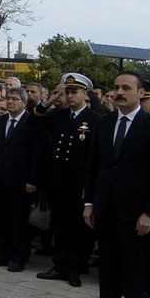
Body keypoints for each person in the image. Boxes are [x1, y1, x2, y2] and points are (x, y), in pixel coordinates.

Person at [80, 72, 150, 298]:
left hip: (135, 214)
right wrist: (89, 203)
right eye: (116, 87)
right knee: (107, 270)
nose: (119, 92)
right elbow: (94, 166)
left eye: (126, 88)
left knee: (133, 273)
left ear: (140, 93)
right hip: (106, 210)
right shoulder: (104, 124)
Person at [35, 72, 99, 287]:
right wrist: (49, 101)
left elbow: (96, 157)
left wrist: (88, 187)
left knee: (77, 228)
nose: (70, 96)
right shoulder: (59, 115)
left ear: (85, 94)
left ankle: (75, 267)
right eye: (67, 91)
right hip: (57, 180)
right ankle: (59, 264)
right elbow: (34, 122)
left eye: (75, 92)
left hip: (78, 183)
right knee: (59, 224)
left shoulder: (95, 120)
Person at [0, 87, 41, 272]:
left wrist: (32, 179)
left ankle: (19, 256)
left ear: (24, 103)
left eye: (15, 99)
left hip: (21, 181)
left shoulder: (31, 122)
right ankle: (0, 253)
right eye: (8, 98)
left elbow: (36, 153)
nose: (10, 102)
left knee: (19, 221)